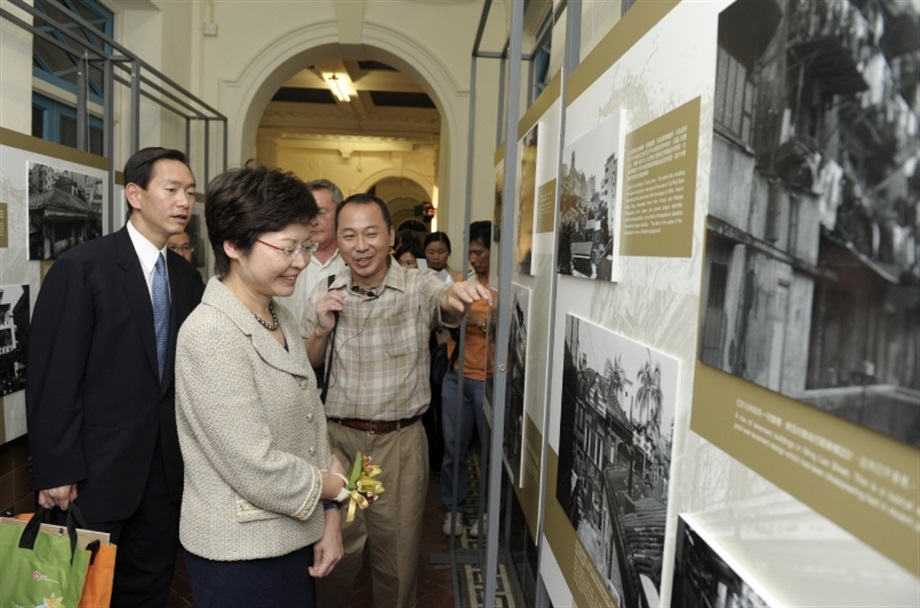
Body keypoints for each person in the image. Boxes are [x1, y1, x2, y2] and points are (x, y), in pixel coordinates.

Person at [26, 147, 205, 607]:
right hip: (94, 475)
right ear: (135, 195)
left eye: (189, 191)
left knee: (146, 590)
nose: (184, 201)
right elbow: (55, 376)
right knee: (79, 595)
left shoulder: (186, 279)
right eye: (172, 190)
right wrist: (57, 469)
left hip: (164, 475)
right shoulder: (83, 268)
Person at [305, 194, 491, 608]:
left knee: (397, 560)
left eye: (371, 233)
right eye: (349, 235)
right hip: (342, 447)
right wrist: (320, 330)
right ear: (338, 240)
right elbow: (308, 363)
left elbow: (442, 300)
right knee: (337, 552)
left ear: (390, 235)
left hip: (399, 446)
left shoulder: (416, 284)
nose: (361, 245)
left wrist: (456, 296)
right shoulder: (328, 289)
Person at [175, 162, 348, 607]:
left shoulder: (279, 314)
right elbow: (255, 465)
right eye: (288, 248)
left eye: (306, 247)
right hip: (241, 554)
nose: (302, 262)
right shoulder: (211, 332)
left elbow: (310, 421)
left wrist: (329, 518)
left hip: (291, 535)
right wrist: (334, 488)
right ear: (233, 244)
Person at [440, 220, 496, 537]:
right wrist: (467, 317)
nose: (473, 259)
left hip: (490, 380)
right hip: (457, 377)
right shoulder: (463, 282)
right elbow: (448, 319)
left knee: (490, 454)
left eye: (479, 252)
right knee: (454, 450)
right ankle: (454, 510)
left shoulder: (505, 288)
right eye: (471, 252)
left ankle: (488, 513)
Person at [275, 178, 347, 328]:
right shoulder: (283, 260)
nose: (313, 221)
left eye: (321, 213)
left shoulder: (352, 261)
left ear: (339, 213)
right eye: (308, 213)